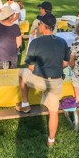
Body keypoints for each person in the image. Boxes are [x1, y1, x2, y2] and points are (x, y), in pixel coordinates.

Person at [17, 13, 70, 147]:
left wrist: (39, 70)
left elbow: (30, 67)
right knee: (53, 112)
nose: (38, 26)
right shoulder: (62, 42)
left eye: (39, 24)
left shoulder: (35, 42)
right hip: (56, 82)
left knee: (20, 73)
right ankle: (51, 140)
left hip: (39, 80)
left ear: (43, 26)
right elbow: (65, 64)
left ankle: (25, 104)